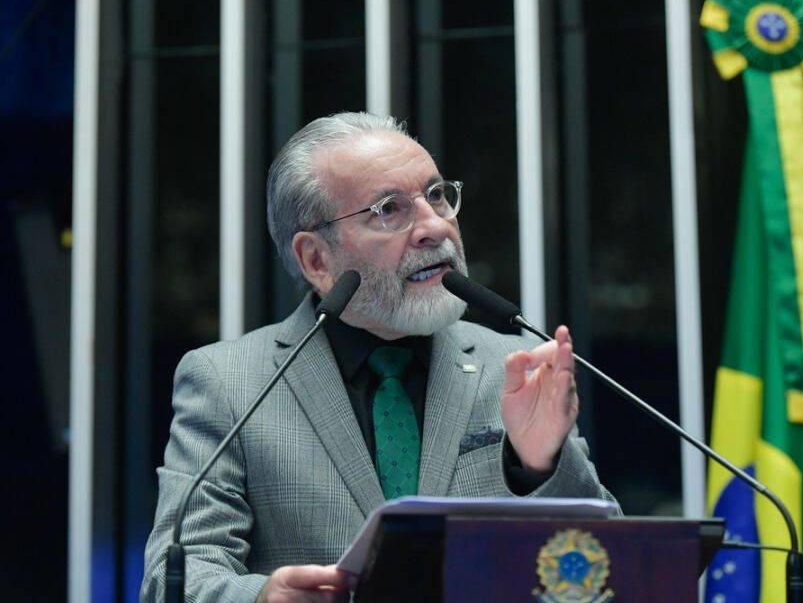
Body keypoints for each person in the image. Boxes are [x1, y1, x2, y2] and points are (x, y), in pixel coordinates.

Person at [141, 112, 617, 602]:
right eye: (389, 209)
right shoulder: (230, 382)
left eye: (436, 196)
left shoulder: (515, 367)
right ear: (316, 260)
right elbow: (172, 579)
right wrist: (261, 597)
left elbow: (609, 574)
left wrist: (541, 467)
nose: (435, 227)